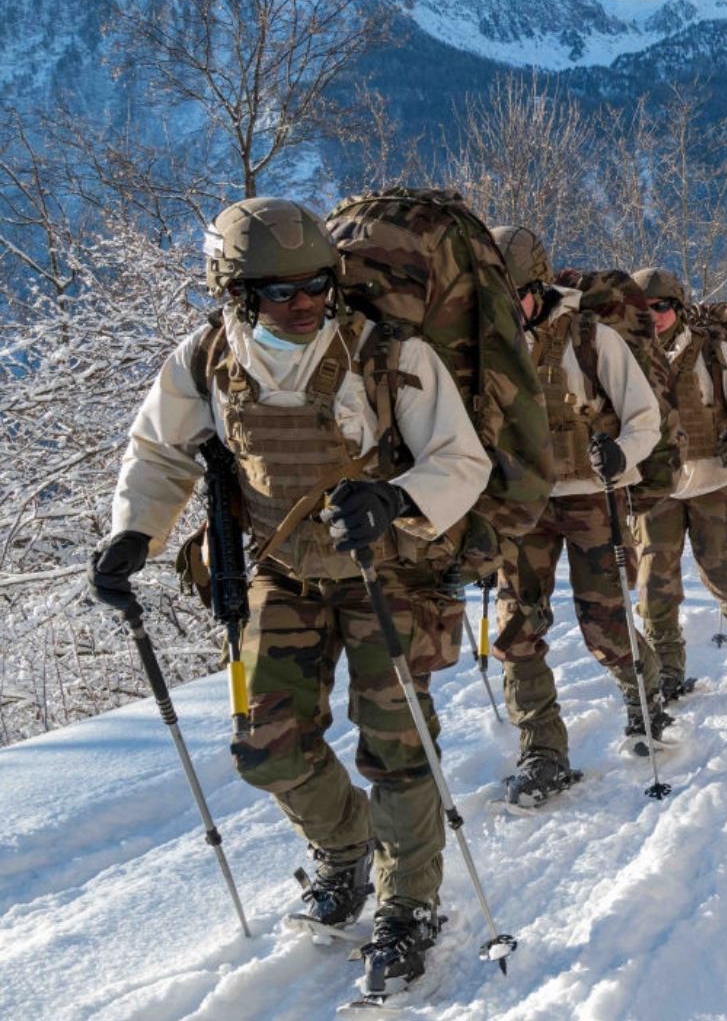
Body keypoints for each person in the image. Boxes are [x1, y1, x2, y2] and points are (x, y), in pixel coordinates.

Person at [89, 197, 491, 984]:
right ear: (238, 294)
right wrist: (134, 534)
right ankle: (347, 848)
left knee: (399, 747)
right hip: (279, 573)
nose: (304, 303)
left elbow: (459, 458)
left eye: (316, 285)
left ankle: (407, 904)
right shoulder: (207, 359)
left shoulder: (388, 353)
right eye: (281, 291)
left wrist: (396, 499)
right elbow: (161, 450)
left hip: (384, 572)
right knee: (264, 748)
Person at [486, 227, 663, 798]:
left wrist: (620, 452)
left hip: (590, 494)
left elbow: (645, 417)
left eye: (517, 296)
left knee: (605, 626)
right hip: (521, 502)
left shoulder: (589, 338)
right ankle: (542, 750)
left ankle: (645, 697)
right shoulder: (482, 345)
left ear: (537, 287)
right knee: (516, 628)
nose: (509, 309)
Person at [631, 268, 727, 688]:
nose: (654, 316)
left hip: (712, 481)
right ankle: (668, 671)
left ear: (678, 308)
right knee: (654, 584)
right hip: (656, 488)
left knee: (721, 571)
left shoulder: (713, 353)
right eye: (644, 308)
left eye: (662, 307)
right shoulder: (626, 356)